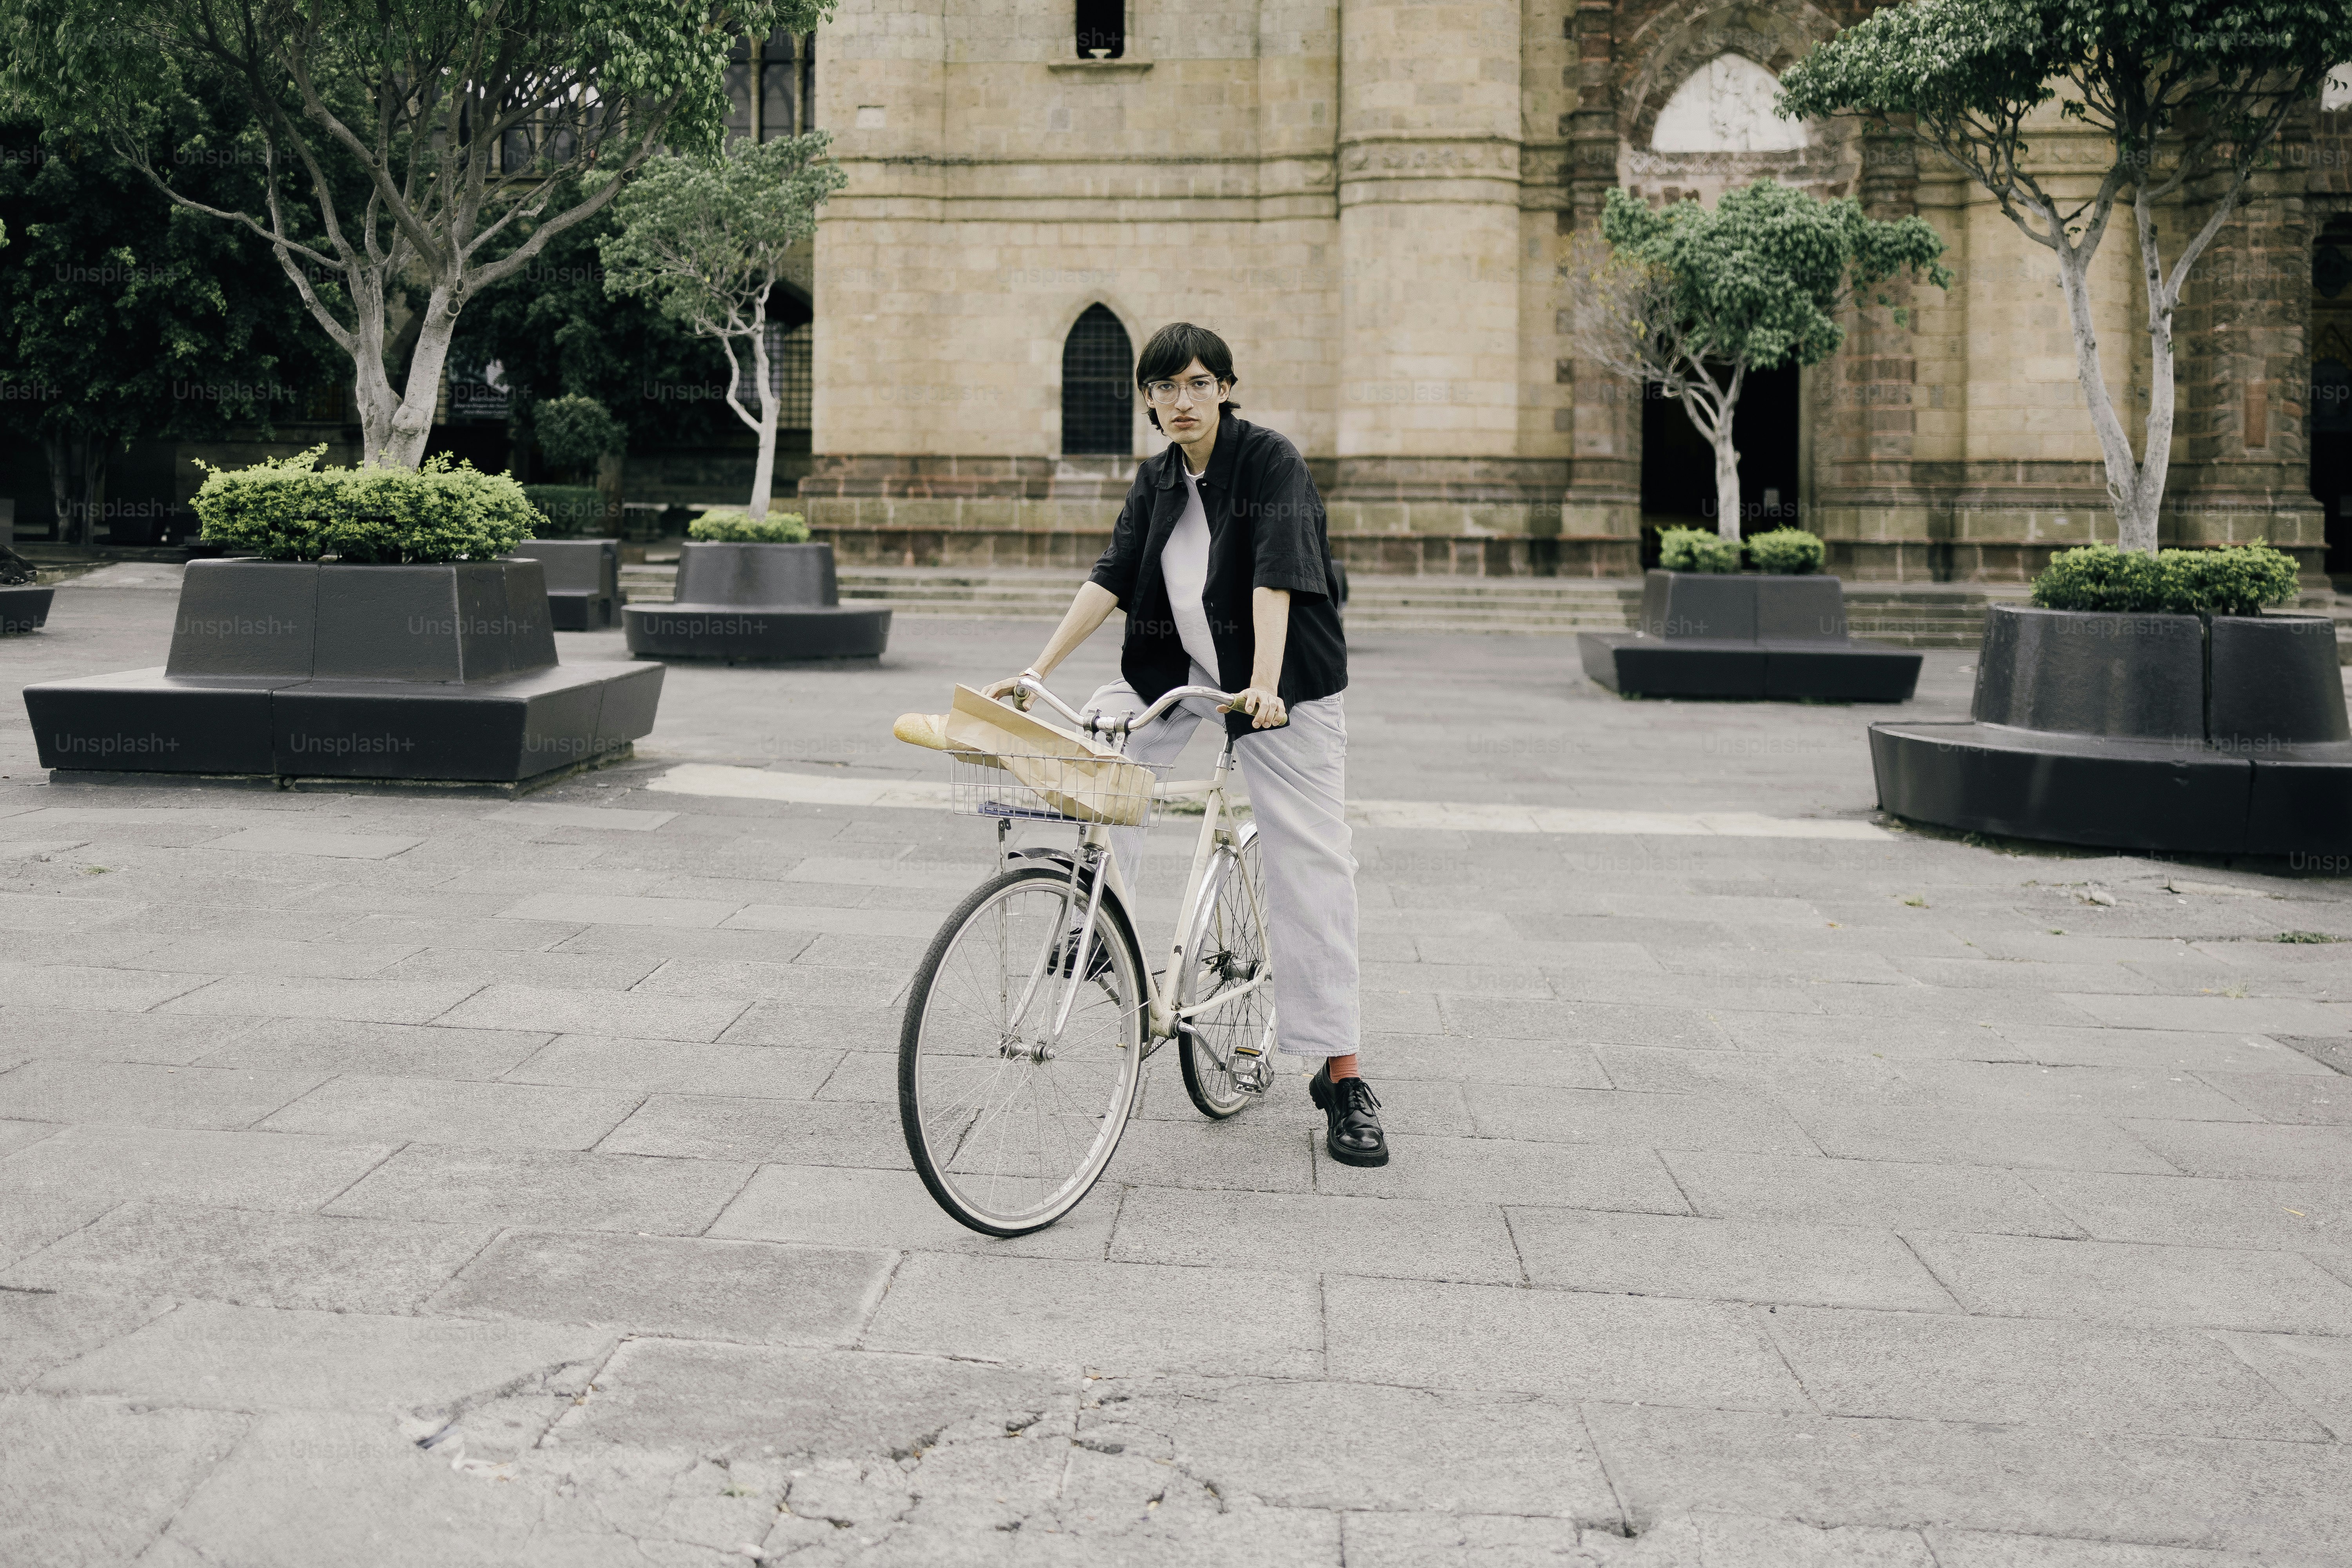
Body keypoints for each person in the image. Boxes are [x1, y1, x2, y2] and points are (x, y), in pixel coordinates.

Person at [987, 321, 1385, 1167]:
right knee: (1079, 755)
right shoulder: (1157, 479)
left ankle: (1342, 1073)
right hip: (1180, 674)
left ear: (1226, 388)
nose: (1181, 401)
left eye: (1198, 384)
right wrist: (1034, 669)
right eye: (1164, 388)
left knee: (1311, 866)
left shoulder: (1269, 461)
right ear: (1149, 400)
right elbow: (1110, 576)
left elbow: (1280, 570)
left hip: (1285, 690)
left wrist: (1267, 683)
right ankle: (1099, 922)